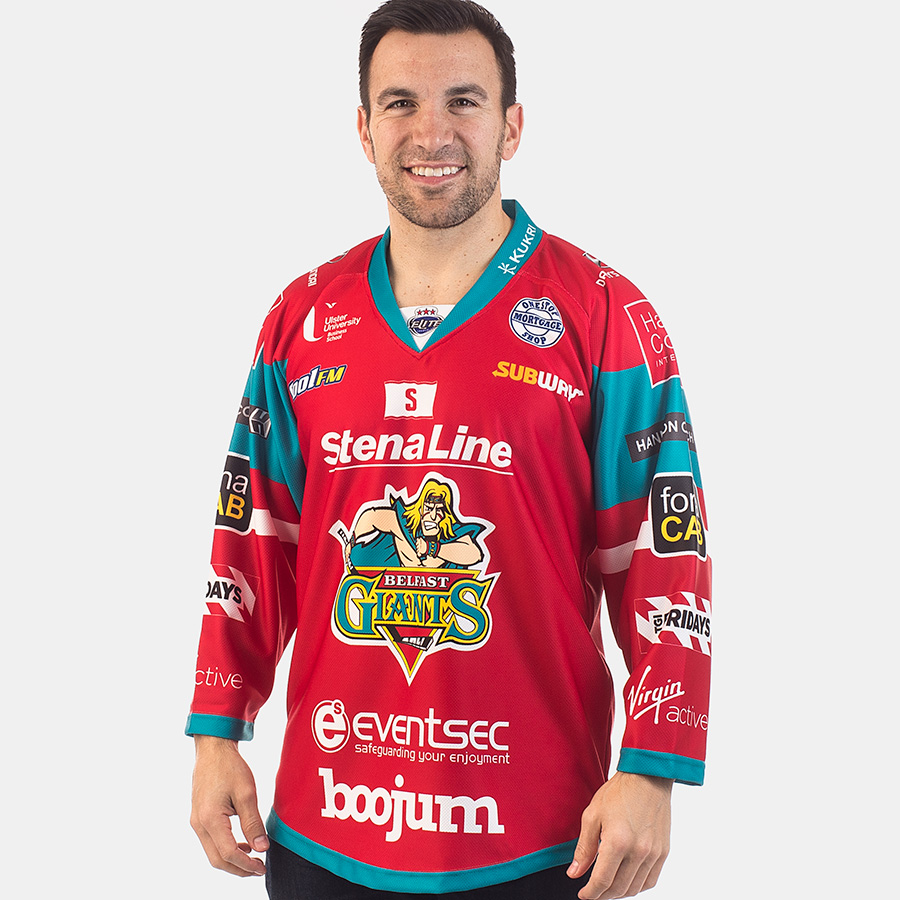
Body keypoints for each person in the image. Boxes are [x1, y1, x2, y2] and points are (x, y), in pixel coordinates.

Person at [187, 1, 712, 898]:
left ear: (512, 124)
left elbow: (665, 553)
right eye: (400, 103)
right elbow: (252, 537)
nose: (432, 133)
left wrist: (653, 767)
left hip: (544, 836)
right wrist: (215, 734)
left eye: (464, 101)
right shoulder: (301, 318)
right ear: (363, 129)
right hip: (327, 823)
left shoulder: (603, 312)